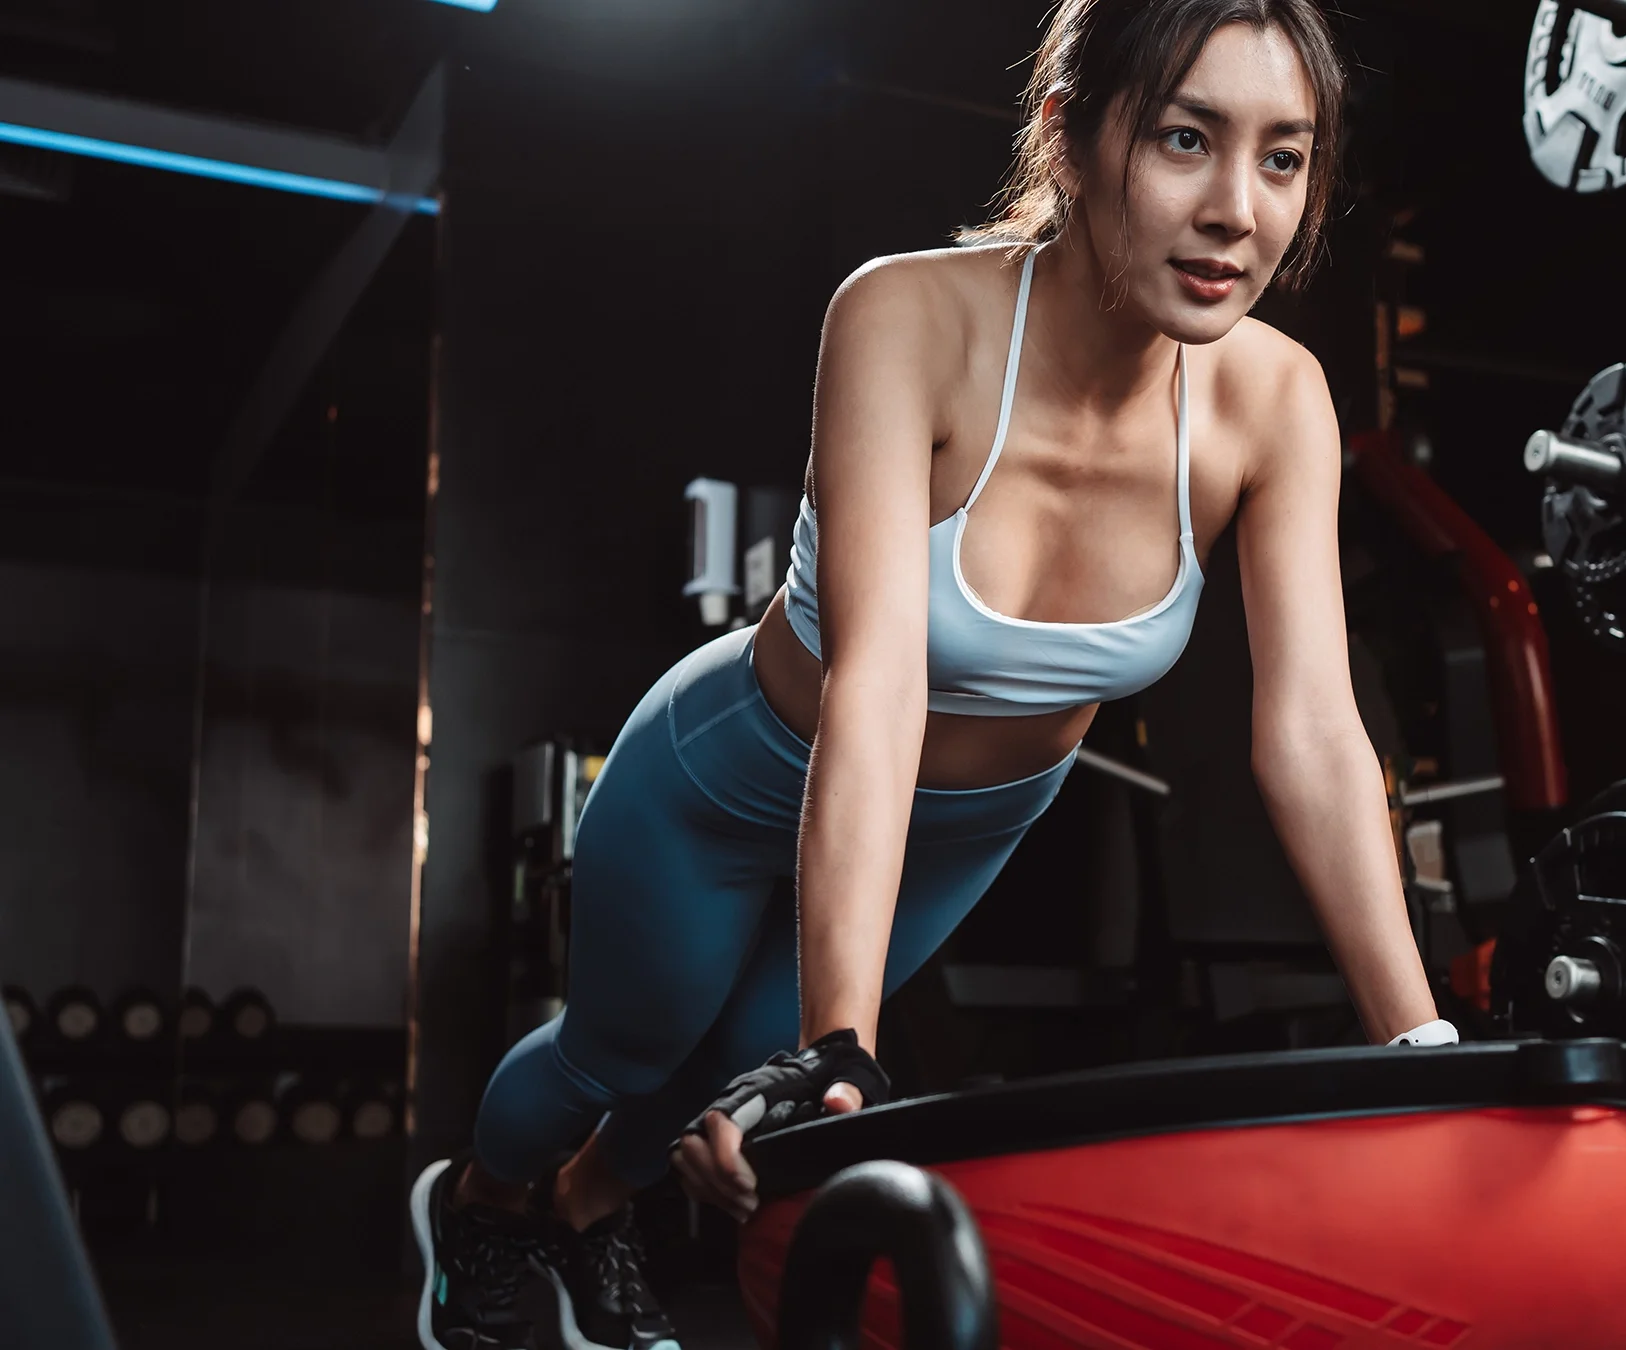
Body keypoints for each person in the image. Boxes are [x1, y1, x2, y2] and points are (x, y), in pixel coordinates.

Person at [409, 2, 1453, 1347]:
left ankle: (587, 1208)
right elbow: (880, 681)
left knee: (723, 1084)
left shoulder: (1277, 400)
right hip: (732, 771)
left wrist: (1421, 1049)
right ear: (1068, 137)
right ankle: (484, 1207)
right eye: (1188, 139)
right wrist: (843, 1041)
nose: (1237, 211)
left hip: (962, 825)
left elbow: (1312, 724)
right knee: (623, 1047)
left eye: (1283, 157)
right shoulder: (905, 317)